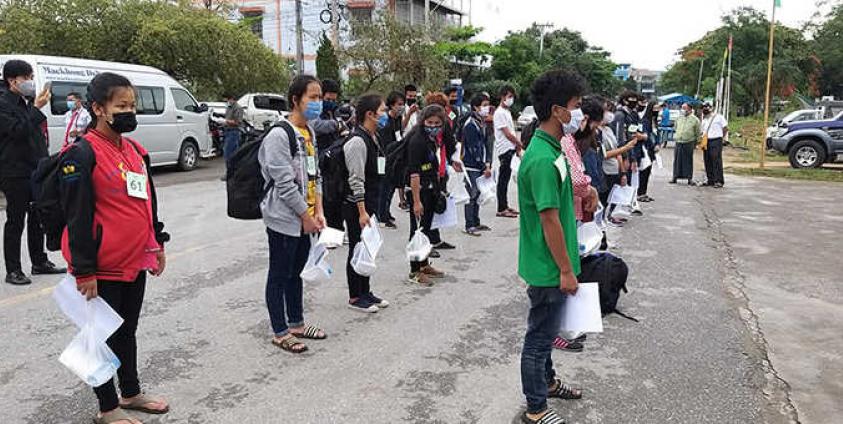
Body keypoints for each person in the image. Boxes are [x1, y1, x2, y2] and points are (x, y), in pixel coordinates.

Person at [59, 72, 170, 424]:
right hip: (101, 266)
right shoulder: (82, 152)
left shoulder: (136, 151)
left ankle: (131, 392)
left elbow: (147, 203)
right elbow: (76, 216)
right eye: (121, 105)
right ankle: (107, 407)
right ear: (98, 108)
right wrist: (84, 269)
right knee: (99, 336)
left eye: (132, 105)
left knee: (127, 330)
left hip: (135, 260)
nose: (129, 111)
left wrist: (157, 244)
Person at [517, 69, 588, 424]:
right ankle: (535, 408)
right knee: (539, 339)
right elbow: (548, 220)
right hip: (548, 267)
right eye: (576, 106)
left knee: (545, 334)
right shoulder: (543, 159)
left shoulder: (553, 148)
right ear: (558, 110)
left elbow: (560, 205)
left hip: (551, 263)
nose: (580, 113)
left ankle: (548, 383)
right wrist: (564, 269)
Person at [258, 74, 327, 354]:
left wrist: (318, 210)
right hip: (285, 218)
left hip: (306, 217)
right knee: (279, 273)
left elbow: (315, 174)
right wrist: (304, 216)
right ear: (296, 100)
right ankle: (280, 330)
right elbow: (285, 185)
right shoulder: (279, 135)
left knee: (296, 272)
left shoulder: (309, 133)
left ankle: (296, 323)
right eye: (313, 97)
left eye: (320, 97)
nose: (318, 103)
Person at [0, 59, 65, 286]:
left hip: (35, 168)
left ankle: (39, 261)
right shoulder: (3, 104)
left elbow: (34, 135)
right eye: (26, 78)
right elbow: (18, 132)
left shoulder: (24, 102)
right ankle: (13, 269)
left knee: (38, 216)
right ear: (12, 80)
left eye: (30, 77)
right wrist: (36, 108)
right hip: (14, 171)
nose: (29, 82)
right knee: (16, 220)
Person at [343, 93, 390, 313]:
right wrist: (362, 212)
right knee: (357, 247)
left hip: (370, 203)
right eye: (382, 111)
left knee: (368, 247)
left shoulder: (373, 137)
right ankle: (355, 295)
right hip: (356, 205)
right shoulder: (357, 142)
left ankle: (366, 291)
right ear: (369, 114)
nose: (385, 114)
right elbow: (356, 179)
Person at [405, 105, 449, 286]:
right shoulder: (417, 141)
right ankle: (415, 271)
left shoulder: (431, 139)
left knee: (426, 230)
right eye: (429, 122)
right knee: (417, 232)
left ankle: (424, 264)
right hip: (418, 192)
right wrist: (416, 201)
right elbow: (414, 174)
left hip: (430, 190)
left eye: (437, 123)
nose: (433, 126)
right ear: (423, 121)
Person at [309, 78, 346, 230]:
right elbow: (316, 126)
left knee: (336, 194)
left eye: (333, 99)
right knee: (322, 194)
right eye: (328, 99)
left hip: (333, 157)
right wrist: (336, 125)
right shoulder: (315, 110)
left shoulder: (333, 110)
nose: (331, 102)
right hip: (318, 157)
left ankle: (336, 228)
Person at [599, 101, 637, 225]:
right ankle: (602, 221)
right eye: (606, 111)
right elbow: (603, 154)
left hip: (614, 169)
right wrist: (625, 148)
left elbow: (616, 151)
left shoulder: (608, 129)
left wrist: (622, 172)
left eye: (610, 111)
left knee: (612, 197)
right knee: (602, 200)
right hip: (604, 170)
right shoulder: (596, 132)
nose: (609, 114)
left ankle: (608, 217)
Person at [460, 93, 493, 236]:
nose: (487, 108)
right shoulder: (470, 125)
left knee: (478, 193)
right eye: (484, 105)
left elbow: (486, 144)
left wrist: (488, 163)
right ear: (475, 107)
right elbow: (474, 149)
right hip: (471, 165)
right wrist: (482, 166)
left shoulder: (482, 122)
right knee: (471, 195)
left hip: (480, 165)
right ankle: (469, 225)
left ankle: (476, 221)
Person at [376, 91, 405, 229]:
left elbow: (399, 135)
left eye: (402, 104)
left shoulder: (398, 119)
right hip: (382, 157)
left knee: (392, 186)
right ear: (391, 105)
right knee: (383, 187)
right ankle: (381, 215)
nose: (401, 107)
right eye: (399, 104)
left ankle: (386, 212)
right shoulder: (385, 120)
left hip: (396, 157)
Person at [493, 85, 522, 218]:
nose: (511, 99)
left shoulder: (507, 112)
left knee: (506, 178)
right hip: (504, 149)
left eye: (512, 97)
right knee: (503, 179)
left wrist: (516, 145)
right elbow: (507, 133)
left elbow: (512, 130)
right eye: (509, 96)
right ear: (502, 97)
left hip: (510, 148)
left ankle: (505, 205)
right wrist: (518, 142)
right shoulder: (499, 113)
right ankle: (501, 208)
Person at [670, 103, 700, 185]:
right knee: (677, 160)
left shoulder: (695, 120)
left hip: (689, 142)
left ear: (690, 109)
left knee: (688, 160)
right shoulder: (679, 118)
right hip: (679, 141)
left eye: (685, 108)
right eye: (682, 108)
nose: (683, 110)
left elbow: (697, 131)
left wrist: (697, 142)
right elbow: (675, 127)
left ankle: (689, 178)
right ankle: (675, 177)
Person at [701, 102, 727, 188]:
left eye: (706, 107)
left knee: (716, 160)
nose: (704, 109)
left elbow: (725, 128)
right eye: (703, 107)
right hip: (706, 141)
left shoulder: (719, 117)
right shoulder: (704, 119)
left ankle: (719, 181)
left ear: (711, 108)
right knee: (707, 160)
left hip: (716, 140)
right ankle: (710, 180)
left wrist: (721, 137)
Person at [637, 99, 658, 202]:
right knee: (644, 171)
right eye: (655, 109)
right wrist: (652, 144)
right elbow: (646, 135)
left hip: (652, 149)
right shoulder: (645, 121)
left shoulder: (654, 121)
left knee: (648, 171)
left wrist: (657, 144)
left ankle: (644, 192)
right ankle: (640, 193)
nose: (657, 111)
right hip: (646, 149)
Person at [220, 93, 244, 180]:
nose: (227, 102)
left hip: (234, 132)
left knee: (229, 153)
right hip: (227, 131)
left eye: (227, 100)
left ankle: (231, 173)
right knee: (229, 153)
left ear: (231, 99)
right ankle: (233, 173)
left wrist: (226, 121)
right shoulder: (229, 108)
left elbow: (238, 122)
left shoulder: (238, 108)